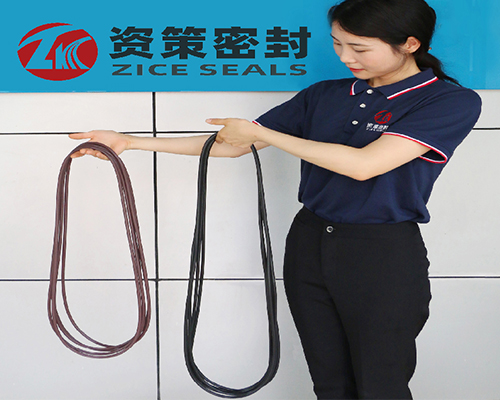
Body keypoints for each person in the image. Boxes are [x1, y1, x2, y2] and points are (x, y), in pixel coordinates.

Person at [69, 0, 482, 398]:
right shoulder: (325, 94)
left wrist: (263, 134)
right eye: (338, 44)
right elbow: (233, 145)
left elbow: (364, 165)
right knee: (329, 384)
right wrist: (130, 142)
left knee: (380, 387)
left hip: (380, 251)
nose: (345, 57)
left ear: (410, 44)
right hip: (309, 241)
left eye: (358, 48)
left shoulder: (449, 101)